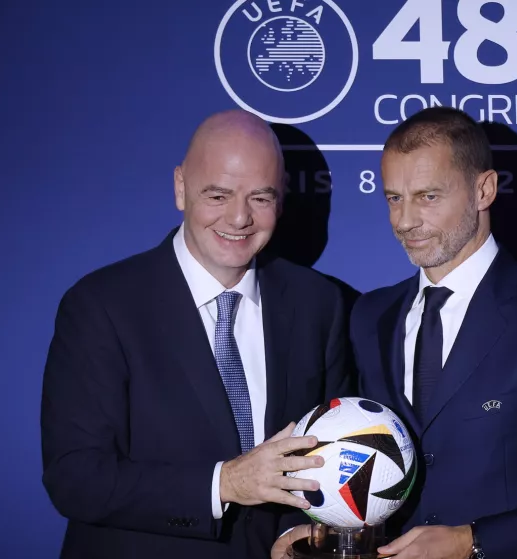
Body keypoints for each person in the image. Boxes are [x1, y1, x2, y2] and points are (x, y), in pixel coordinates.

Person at [40, 109, 353, 559]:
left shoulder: (318, 303)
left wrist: (294, 533)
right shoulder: (101, 305)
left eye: (261, 198)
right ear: (180, 188)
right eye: (219, 194)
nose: (240, 217)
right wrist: (223, 483)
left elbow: (334, 454)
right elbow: (75, 477)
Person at [338, 107, 517, 558]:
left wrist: (471, 542)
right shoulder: (370, 315)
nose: (404, 221)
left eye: (428, 196)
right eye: (394, 198)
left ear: (484, 189)